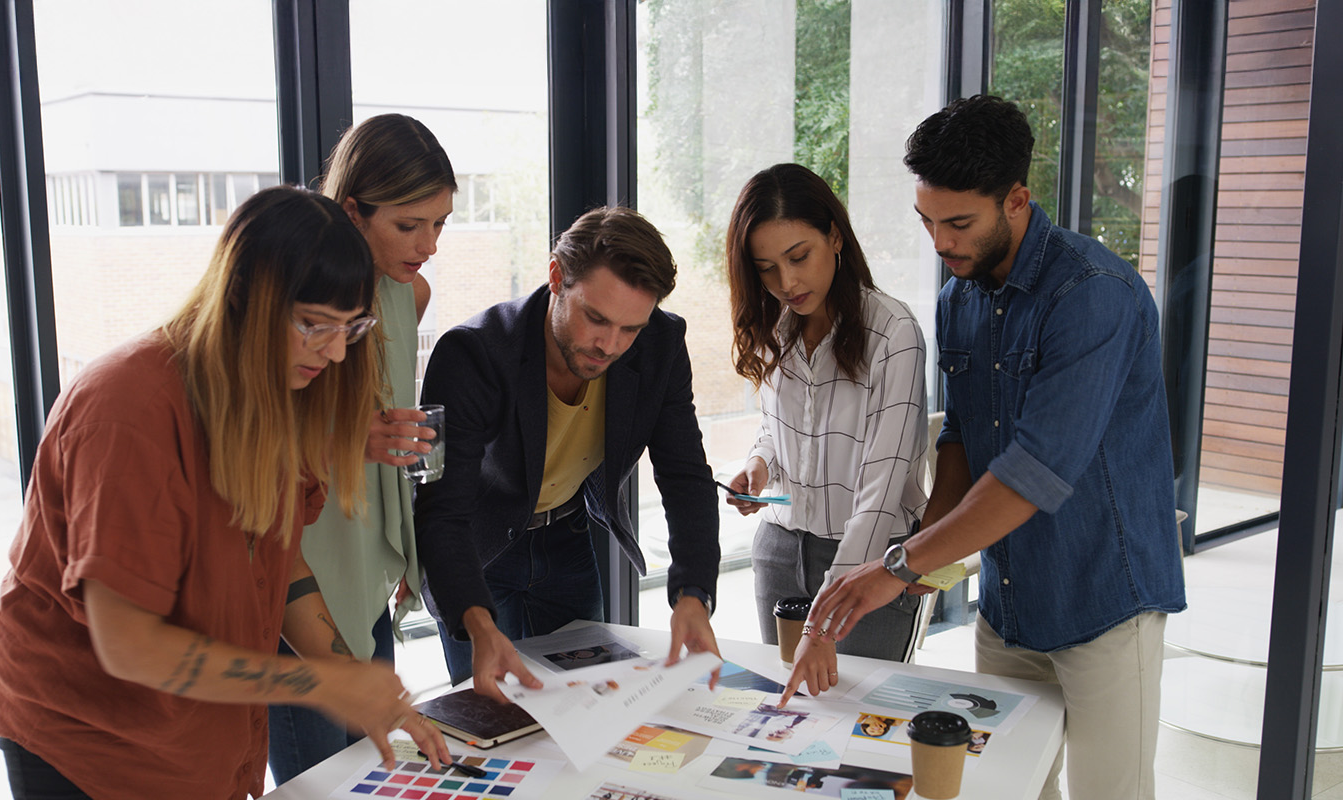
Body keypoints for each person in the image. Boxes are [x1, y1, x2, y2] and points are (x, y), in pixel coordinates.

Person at [0, 186, 450, 800]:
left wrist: (345, 672)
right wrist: (315, 685)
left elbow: (279, 553)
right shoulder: (127, 408)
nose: (337, 351)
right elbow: (129, 644)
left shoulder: (275, 387)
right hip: (79, 732)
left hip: (191, 727)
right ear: (243, 298)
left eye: (352, 327)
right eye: (314, 325)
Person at [789, 95, 1186, 800]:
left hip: (1103, 602)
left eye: (959, 223)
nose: (941, 242)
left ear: (1017, 200)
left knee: (1110, 795)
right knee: (1003, 787)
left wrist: (898, 566)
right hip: (1008, 606)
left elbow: (1032, 473)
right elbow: (964, 439)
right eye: (928, 222)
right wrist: (922, 565)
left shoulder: (1094, 295)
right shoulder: (959, 299)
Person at [415, 205, 723, 701]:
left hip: (567, 541)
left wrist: (693, 594)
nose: (610, 345)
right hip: (480, 555)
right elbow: (441, 509)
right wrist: (476, 621)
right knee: (503, 724)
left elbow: (685, 473)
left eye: (630, 329)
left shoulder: (661, 343)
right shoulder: (473, 353)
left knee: (591, 709)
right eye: (596, 318)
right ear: (557, 276)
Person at [267, 113, 456, 784]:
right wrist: (349, 440)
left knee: (372, 772)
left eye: (440, 223)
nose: (428, 244)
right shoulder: (292, 298)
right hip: (301, 567)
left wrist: (399, 539)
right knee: (316, 778)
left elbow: (386, 425)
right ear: (352, 210)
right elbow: (254, 446)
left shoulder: (411, 291)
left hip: (366, 558)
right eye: (410, 225)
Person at [722, 163, 929, 698]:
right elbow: (776, 428)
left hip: (870, 562)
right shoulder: (774, 329)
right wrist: (759, 466)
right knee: (789, 724)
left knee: (861, 735)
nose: (786, 283)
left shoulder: (894, 333)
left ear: (834, 236)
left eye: (798, 257)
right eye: (766, 268)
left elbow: (882, 493)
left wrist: (824, 619)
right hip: (779, 550)